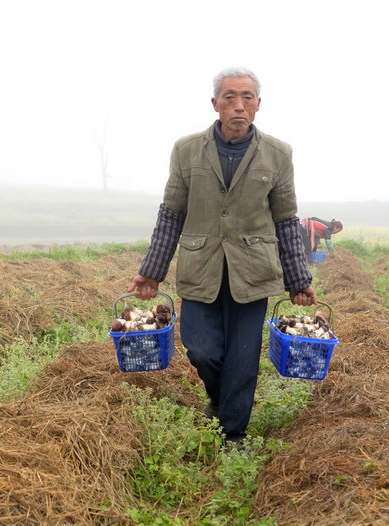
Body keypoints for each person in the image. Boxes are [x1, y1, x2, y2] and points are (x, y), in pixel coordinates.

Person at [128, 67, 317, 446]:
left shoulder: (279, 154)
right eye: (229, 97)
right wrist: (152, 273)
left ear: (258, 105)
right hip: (201, 269)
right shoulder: (187, 150)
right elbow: (171, 214)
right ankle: (217, 398)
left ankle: (234, 433)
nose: (238, 105)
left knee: (243, 357)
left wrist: (298, 279)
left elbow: (285, 219)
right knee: (201, 350)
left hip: (253, 271)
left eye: (247, 97)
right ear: (215, 104)